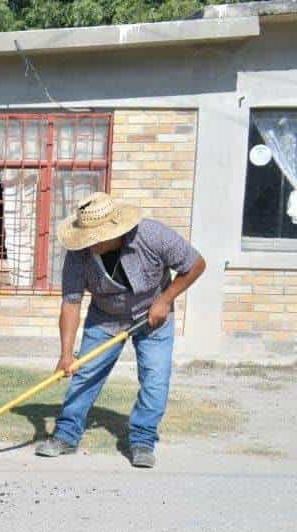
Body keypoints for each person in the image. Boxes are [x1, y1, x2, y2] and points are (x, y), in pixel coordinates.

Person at [36, 192, 206, 468]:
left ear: (113, 231)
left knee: (155, 379)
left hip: (153, 317)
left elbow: (195, 264)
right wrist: (66, 354)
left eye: (95, 239)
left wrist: (165, 300)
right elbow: (71, 302)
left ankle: (142, 440)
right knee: (85, 376)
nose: (89, 244)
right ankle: (66, 434)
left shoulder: (152, 235)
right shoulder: (78, 255)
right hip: (105, 318)